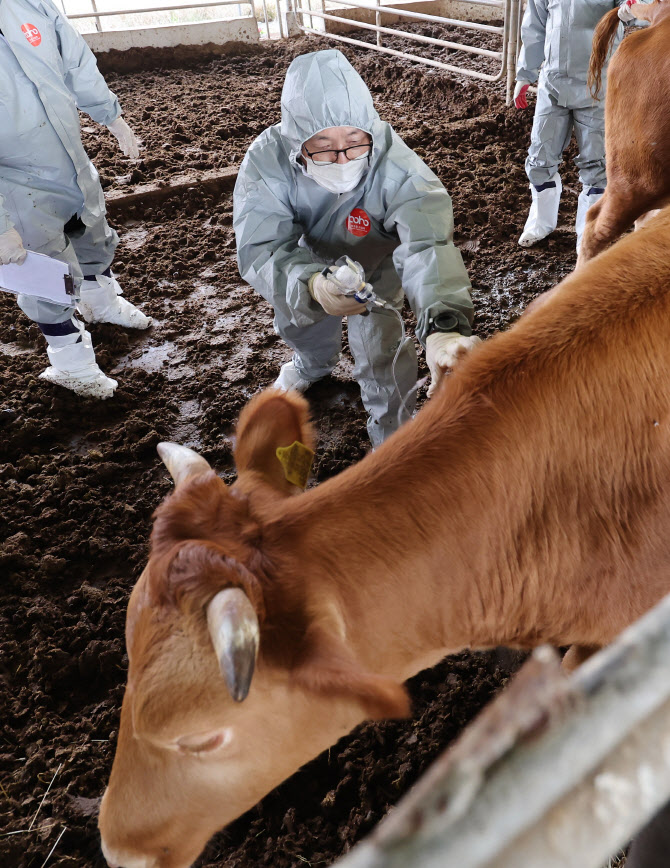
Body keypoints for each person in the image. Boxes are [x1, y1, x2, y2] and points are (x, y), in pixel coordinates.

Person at [233, 49, 478, 448]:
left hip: (377, 259)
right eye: (323, 146)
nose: (343, 158)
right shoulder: (268, 159)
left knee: (383, 349)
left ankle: (393, 441)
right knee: (301, 321)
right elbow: (262, 244)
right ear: (297, 141)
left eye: (354, 140)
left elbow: (428, 245)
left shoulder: (395, 164)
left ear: (370, 131)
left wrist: (443, 329)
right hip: (304, 257)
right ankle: (312, 364)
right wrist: (310, 285)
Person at [0, 0, 150, 399]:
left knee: (91, 232)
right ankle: (71, 362)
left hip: (68, 153)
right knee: (44, 268)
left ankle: (101, 303)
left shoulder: (28, 4)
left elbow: (76, 61)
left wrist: (111, 117)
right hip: (12, 178)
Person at [513, 0, 641, 251]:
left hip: (596, 84)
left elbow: (643, 9)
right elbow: (535, 26)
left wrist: (633, 8)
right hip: (553, 83)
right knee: (540, 155)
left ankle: (588, 231)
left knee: (597, 163)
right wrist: (525, 74)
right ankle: (541, 222)